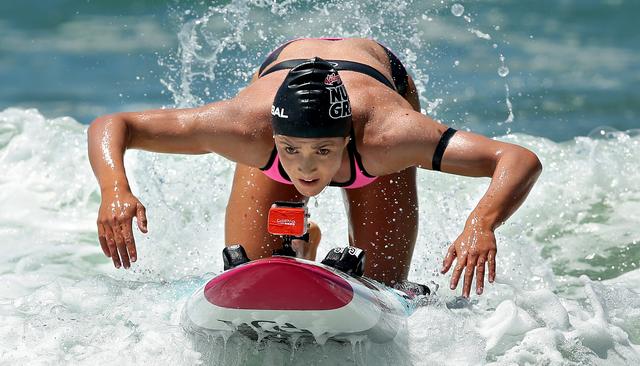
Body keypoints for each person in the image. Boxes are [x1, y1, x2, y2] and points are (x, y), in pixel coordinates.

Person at [88, 37, 542, 298]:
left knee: (384, 286)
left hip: (377, 80)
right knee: (246, 276)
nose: (305, 172)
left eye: (324, 152)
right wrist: (115, 190)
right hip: (282, 80)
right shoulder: (244, 128)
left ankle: (310, 245)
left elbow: (517, 159)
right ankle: (301, 248)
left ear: (348, 140)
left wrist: (482, 223)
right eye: (291, 151)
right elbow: (115, 124)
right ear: (272, 136)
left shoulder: (388, 136)